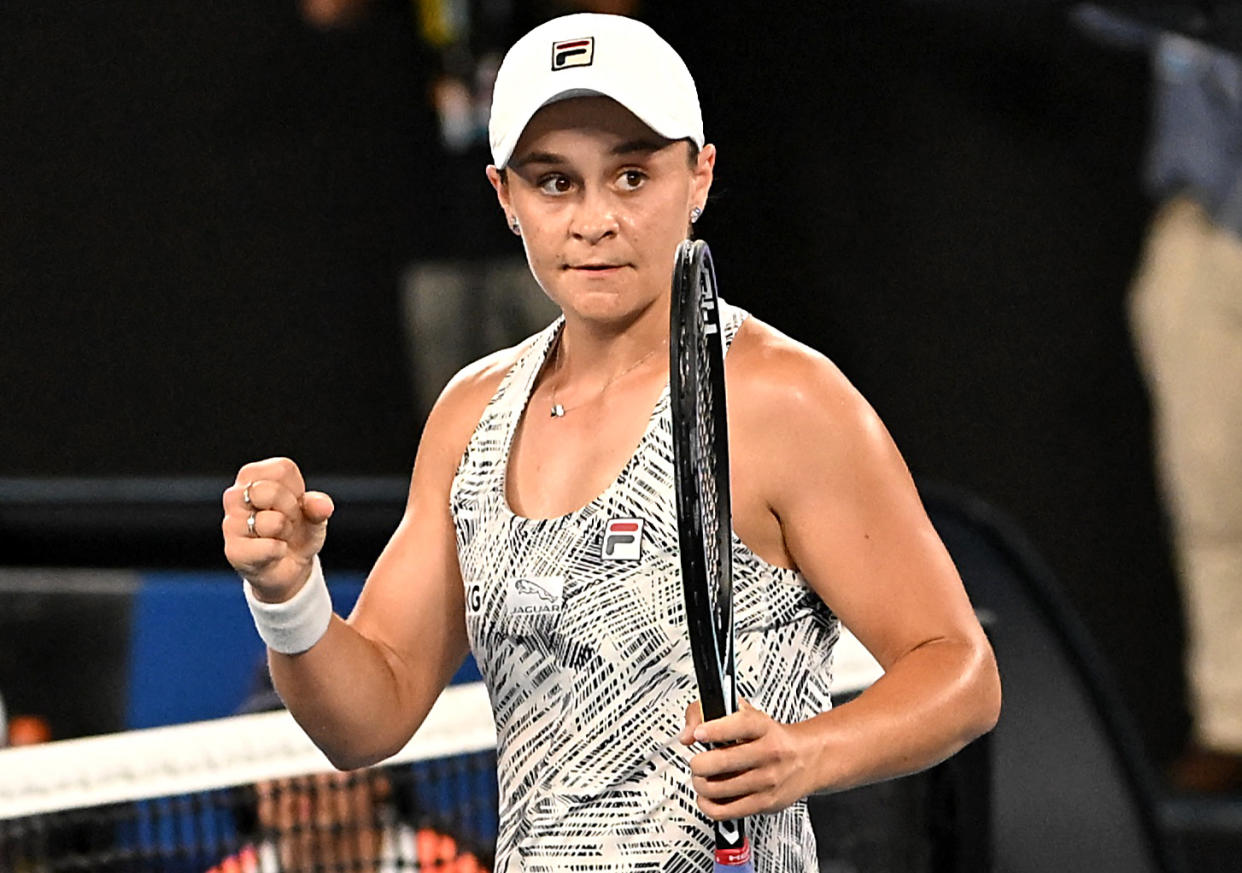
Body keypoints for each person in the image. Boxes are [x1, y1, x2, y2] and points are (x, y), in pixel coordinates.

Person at [222, 12, 1001, 870]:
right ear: (505, 198)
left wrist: (805, 754)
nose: (593, 219)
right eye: (555, 182)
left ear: (699, 176)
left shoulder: (786, 401)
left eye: (631, 175)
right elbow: (366, 722)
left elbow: (960, 670)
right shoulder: (470, 414)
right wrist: (289, 596)